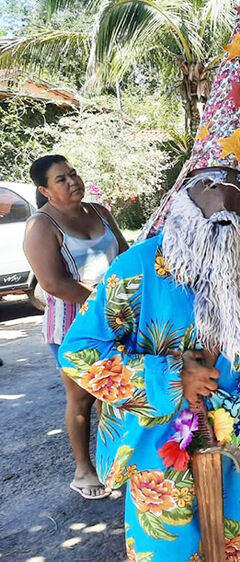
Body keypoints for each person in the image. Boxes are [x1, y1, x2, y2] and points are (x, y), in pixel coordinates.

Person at [57, 2, 240, 558]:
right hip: (160, 453)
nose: (223, 205)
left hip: (238, 449)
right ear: (183, 197)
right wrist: (171, 375)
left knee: (238, 551)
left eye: (239, 192)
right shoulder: (140, 266)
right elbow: (78, 352)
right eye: (208, 189)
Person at [23, 154, 128, 500]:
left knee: (115, 394)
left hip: (117, 317)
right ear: (45, 190)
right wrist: (102, 300)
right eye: (61, 180)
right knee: (82, 397)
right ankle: (84, 469)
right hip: (73, 325)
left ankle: (116, 460)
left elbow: (125, 258)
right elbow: (53, 283)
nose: (72, 181)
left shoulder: (99, 212)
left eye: (73, 173)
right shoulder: (42, 226)